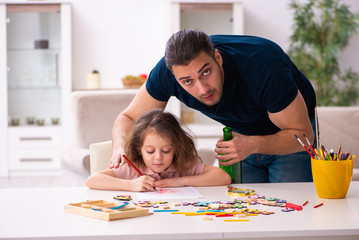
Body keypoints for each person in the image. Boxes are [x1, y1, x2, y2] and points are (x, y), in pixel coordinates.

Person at [109, 29, 317, 183]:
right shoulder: (166, 73)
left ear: (218, 57)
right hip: (241, 139)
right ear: (174, 77)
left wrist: (253, 144)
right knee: (245, 214)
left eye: (206, 72)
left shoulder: (264, 67)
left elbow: (304, 136)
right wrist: (120, 146)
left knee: (292, 212)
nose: (202, 89)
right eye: (187, 81)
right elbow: (128, 118)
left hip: (289, 137)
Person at [87, 109, 231, 191]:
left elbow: (223, 177)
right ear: (139, 148)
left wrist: (180, 181)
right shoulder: (133, 168)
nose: (158, 158)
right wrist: (130, 184)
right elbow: (92, 180)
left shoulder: (181, 165)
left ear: (176, 148)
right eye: (150, 151)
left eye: (166, 150)